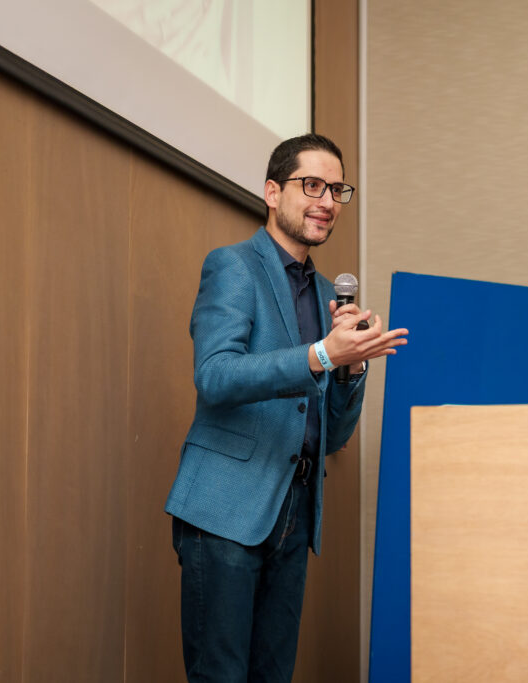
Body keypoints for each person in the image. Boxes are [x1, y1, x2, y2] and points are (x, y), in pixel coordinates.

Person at [165, 133, 407, 682]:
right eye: (312, 185)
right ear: (273, 193)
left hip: (295, 511)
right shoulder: (233, 267)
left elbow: (334, 434)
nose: (328, 201)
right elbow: (215, 376)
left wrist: (350, 366)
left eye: (337, 190)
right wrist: (322, 354)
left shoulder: (327, 295)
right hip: (226, 508)